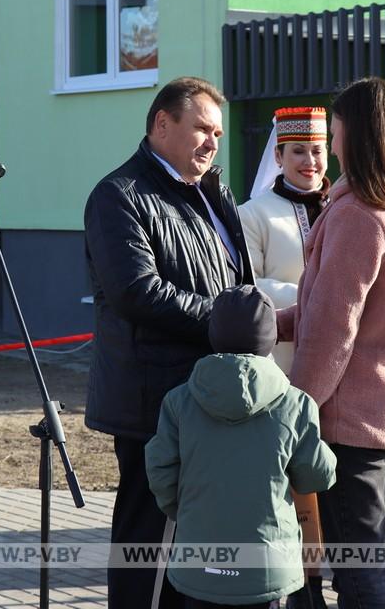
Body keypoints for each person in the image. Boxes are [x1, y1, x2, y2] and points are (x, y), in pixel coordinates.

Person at [84, 76, 254, 609]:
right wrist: (231, 320)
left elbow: (236, 281)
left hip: (211, 396)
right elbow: (138, 292)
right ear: (162, 124)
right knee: (147, 544)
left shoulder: (213, 193)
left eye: (219, 134)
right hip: (154, 403)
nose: (212, 142)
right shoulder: (118, 195)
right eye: (202, 128)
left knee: (197, 546)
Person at [277, 77, 385, 608]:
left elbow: (333, 330)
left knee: (358, 570)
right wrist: (276, 321)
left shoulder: (357, 214)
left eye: (337, 126)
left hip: (353, 421)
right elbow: (368, 312)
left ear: (359, 133)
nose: (332, 137)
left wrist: (297, 408)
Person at [146, 285, 337, 609]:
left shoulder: (179, 402)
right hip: (267, 569)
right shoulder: (296, 404)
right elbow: (316, 477)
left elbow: (160, 471)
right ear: (271, 338)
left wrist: (188, 514)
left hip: (198, 564)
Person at [238, 107, 331, 608]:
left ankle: (323, 577)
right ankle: (295, 582)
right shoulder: (255, 212)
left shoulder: (342, 203)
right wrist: (314, 292)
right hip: (283, 364)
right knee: (291, 482)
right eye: (298, 151)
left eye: (317, 149)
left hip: (340, 365)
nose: (310, 160)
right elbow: (245, 284)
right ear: (279, 155)